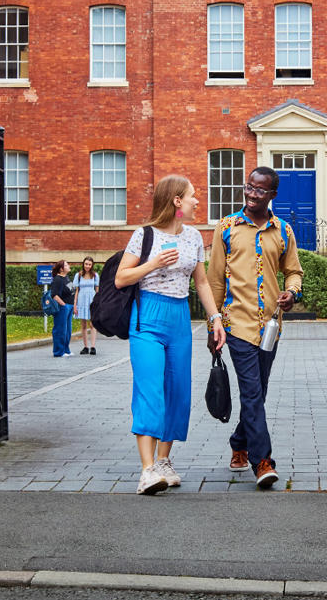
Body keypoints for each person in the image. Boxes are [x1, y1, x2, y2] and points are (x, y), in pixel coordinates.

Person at [115, 174, 226, 496]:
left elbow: (201, 282)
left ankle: (164, 461)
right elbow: (121, 278)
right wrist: (152, 264)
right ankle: (147, 470)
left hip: (179, 317)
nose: (197, 201)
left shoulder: (193, 236)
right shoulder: (144, 235)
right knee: (150, 389)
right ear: (177, 201)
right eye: (192, 196)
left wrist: (215, 318)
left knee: (177, 391)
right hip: (147, 317)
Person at [207, 166, 303, 489]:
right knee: (251, 391)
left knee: (257, 393)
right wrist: (212, 325)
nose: (251, 193)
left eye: (260, 190)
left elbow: (294, 271)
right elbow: (214, 280)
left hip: (270, 327)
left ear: (272, 194)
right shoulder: (226, 228)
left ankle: (239, 442)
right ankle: (263, 462)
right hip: (236, 324)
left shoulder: (284, 231)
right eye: (249, 187)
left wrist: (292, 292)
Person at [73, 256, 99, 355]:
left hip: (91, 301)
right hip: (81, 301)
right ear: (83, 264)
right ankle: (85, 347)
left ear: (92, 265)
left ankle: (93, 346)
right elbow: (76, 291)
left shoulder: (95, 275)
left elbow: (97, 290)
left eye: (89, 264)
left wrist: (97, 303)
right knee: (83, 325)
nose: (87, 266)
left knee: (92, 324)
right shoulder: (78, 275)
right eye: (86, 264)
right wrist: (75, 305)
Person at [50, 260, 75, 358]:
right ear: (61, 269)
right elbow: (54, 295)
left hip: (70, 306)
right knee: (60, 329)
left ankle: (66, 349)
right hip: (63, 307)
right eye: (66, 265)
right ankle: (58, 351)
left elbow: (72, 291)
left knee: (68, 330)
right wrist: (63, 305)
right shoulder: (57, 279)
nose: (69, 266)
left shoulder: (66, 278)